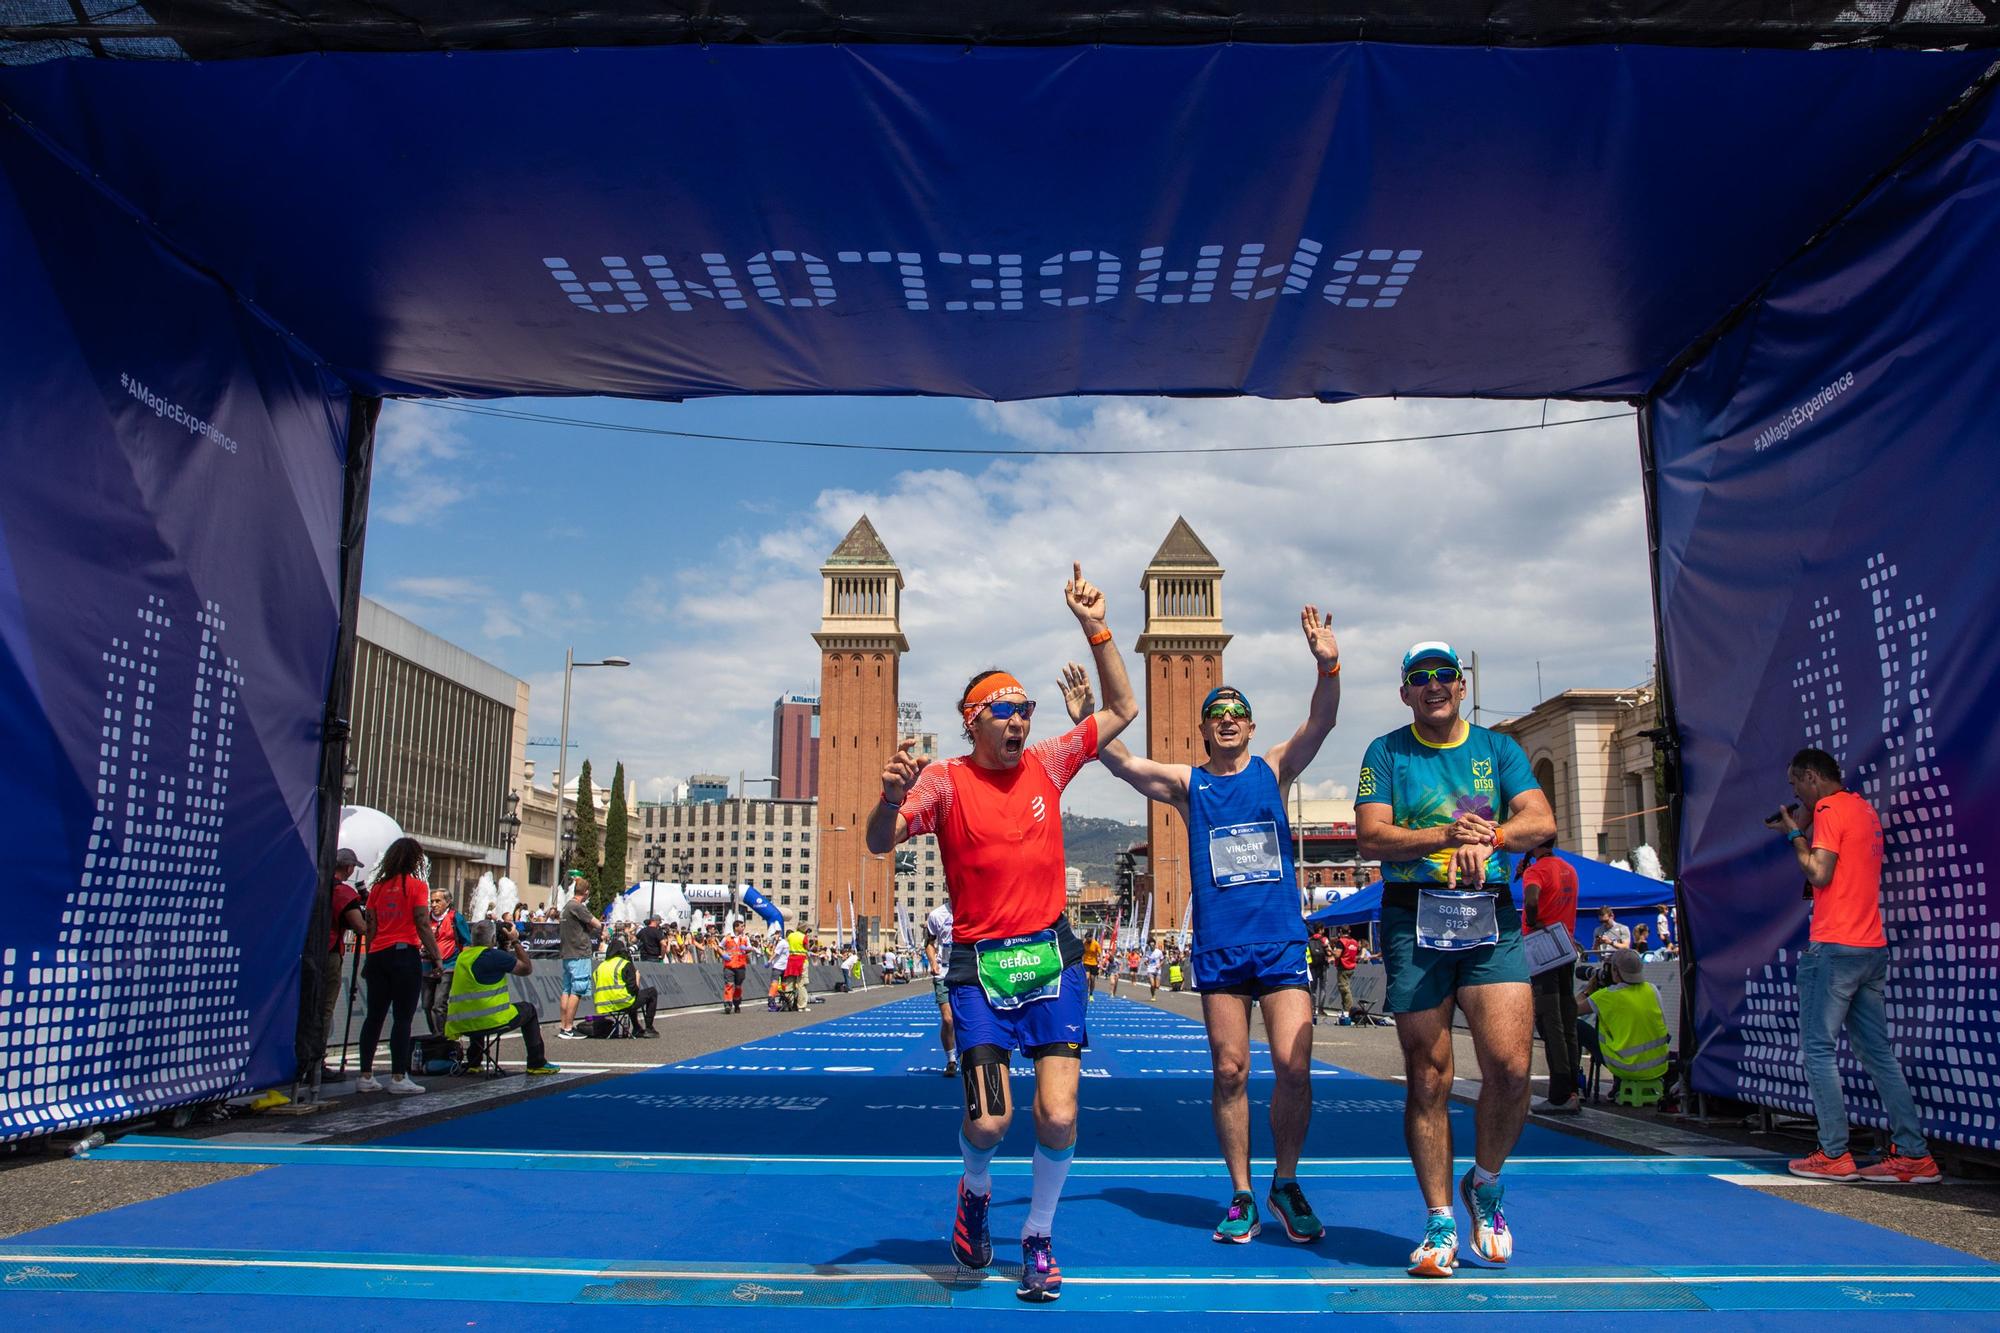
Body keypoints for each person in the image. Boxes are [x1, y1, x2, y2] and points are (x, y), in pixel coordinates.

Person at [867, 561, 1138, 1303]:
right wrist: (889, 799)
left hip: (1051, 962)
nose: (1021, 719)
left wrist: (1096, 625)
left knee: (1058, 1111)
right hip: (980, 969)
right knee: (988, 1119)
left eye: (1024, 707)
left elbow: (1121, 707)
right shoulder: (944, 781)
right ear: (971, 720)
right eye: (1004, 709)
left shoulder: (1050, 761)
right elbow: (878, 842)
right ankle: (976, 1191)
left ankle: (1039, 1237)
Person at [1083, 603, 1340, 1246]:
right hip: (1221, 950)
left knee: (1293, 1065)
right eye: (1216, 716)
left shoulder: (1275, 768)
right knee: (1229, 1069)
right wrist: (1089, 718)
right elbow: (1121, 764)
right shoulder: (1187, 784)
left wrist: (1326, 660)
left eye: (1236, 714)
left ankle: (1285, 1181)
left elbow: (1324, 719)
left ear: (1250, 726)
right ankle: (1242, 1194)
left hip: (1280, 943)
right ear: (1204, 730)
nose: (1227, 722)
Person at [1354, 641, 1556, 1278]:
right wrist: (1446, 833)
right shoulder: (1385, 752)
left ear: (1462, 686)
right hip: (1414, 917)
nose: (1435, 684)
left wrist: (1490, 834)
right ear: (1406, 691)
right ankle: (1440, 1219)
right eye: (1421, 677)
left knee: (1510, 1068)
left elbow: (1541, 821)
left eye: (1446, 675)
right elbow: (1371, 838)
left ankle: (1486, 1183)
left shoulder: (1498, 749)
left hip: (1487, 912)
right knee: (1430, 1076)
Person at [1772, 748, 1938, 1184]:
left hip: (1834, 944)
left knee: (1819, 1050)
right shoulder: (1862, 809)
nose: (1795, 794)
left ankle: (1834, 1153)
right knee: (1879, 1054)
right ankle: (1914, 1154)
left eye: (1795, 785)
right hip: (1871, 945)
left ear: (1811, 777)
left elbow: (1818, 872)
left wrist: (1794, 833)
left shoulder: (1828, 808)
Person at [356, 837, 443, 1095]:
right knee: (402, 1017)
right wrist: (436, 956)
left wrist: (369, 955)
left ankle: (365, 1074)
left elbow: (371, 925)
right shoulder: (416, 886)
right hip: (404, 954)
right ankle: (397, 1076)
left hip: (378, 953)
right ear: (415, 860)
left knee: (374, 1016)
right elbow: (421, 922)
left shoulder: (379, 888)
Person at [445, 920, 561, 1076]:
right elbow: (526, 968)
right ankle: (537, 1062)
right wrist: (515, 941)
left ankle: (474, 1062)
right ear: (493, 938)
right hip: (490, 1020)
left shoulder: (463, 957)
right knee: (529, 1010)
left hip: (461, 1023)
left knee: (478, 1009)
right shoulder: (495, 956)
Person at [1520, 836, 1582, 1116]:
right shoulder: (1568, 868)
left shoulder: (1537, 871)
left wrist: (1533, 921)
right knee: (1567, 1017)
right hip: (1565, 943)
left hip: (1543, 945)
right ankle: (1571, 1089)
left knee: (1550, 1019)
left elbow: (1532, 900)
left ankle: (1559, 1094)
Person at [1576, 949, 1670, 1106]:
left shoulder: (1607, 995)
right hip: (1659, 1066)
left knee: (1575, 1025)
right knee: (1625, 1034)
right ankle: (1617, 1085)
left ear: (1615, 971)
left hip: (1626, 1066)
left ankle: (1573, 1085)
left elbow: (1571, 1011)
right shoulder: (1652, 989)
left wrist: (1588, 990)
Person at [318, 848, 369, 1076]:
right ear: (348, 868)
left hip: (306, 951)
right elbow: (360, 927)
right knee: (324, 1009)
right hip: (328, 952)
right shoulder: (343, 892)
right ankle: (316, 1061)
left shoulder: (316, 883)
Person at [556, 872, 600, 1040]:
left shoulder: (566, 906)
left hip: (567, 953)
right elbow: (597, 924)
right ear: (586, 892)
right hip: (579, 952)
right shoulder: (578, 907)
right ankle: (568, 1027)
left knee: (566, 989)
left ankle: (563, 1026)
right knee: (578, 990)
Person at [422, 885, 469, 1035]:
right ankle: (436, 1034)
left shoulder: (456, 918)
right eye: (432, 901)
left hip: (448, 966)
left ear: (447, 902)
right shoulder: (426, 918)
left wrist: (463, 965)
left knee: (439, 1005)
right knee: (426, 1005)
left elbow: (467, 942)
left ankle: (442, 1039)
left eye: (438, 901)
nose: (434, 904)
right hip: (427, 967)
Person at [593, 939, 659, 1037]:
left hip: (603, 1005)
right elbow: (633, 990)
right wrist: (637, 977)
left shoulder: (600, 967)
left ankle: (636, 1027)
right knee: (651, 992)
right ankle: (649, 1028)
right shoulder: (624, 964)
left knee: (629, 996)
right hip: (622, 1002)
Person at [924, 902, 959, 1076]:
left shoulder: (975, 909)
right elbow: (929, 943)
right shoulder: (937, 915)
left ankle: (970, 1055)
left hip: (968, 971)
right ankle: (951, 1060)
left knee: (968, 1019)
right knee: (948, 1020)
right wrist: (933, 963)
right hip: (943, 973)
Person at [721, 923, 751, 1013]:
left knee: (738, 987)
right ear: (736, 927)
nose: (743, 928)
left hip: (740, 966)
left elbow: (750, 949)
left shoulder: (745, 938)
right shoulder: (727, 937)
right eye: (741, 926)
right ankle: (728, 1004)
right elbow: (719, 947)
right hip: (729, 965)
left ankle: (737, 1003)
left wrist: (746, 949)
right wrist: (723, 955)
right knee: (729, 984)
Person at [1334, 927, 1360, 1018]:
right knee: (1345, 988)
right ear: (1349, 931)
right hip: (1351, 966)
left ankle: (1348, 1010)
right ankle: (1346, 1009)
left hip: (1343, 967)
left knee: (1344, 989)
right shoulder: (1354, 942)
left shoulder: (1341, 941)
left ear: (1341, 931)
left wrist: (1330, 951)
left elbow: (1337, 955)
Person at [784, 921, 809, 1012]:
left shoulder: (790, 936)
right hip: (802, 960)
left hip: (791, 960)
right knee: (802, 983)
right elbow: (807, 948)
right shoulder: (804, 937)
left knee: (789, 982)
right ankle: (801, 1006)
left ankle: (789, 1003)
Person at [1308, 928, 1332, 1018]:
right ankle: (1321, 1009)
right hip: (1323, 966)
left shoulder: (1309, 940)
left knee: (1313, 988)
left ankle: (1313, 1009)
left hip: (1312, 966)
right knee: (1323, 988)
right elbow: (1329, 953)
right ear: (1321, 929)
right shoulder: (1324, 939)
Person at [1082, 933, 1103, 999]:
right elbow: (1081, 952)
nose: (1087, 940)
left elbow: (1100, 954)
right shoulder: (1084, 943)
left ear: (1091, 937)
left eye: (1088, 938)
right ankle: (1085, 992)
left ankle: (1091, 994)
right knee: (1087, 977)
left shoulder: (1096, 944)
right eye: (1086, 938)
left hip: (1094, 964)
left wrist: (1101, 963)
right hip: (1086, 963)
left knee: (1092, 979)